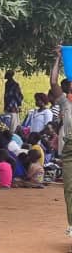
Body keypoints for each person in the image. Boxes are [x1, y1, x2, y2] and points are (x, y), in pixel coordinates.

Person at [49, 49, 72, 237]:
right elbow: (53, 82)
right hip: (69, 148)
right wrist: (58, 58)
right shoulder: (65, 103)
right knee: (69, 189)